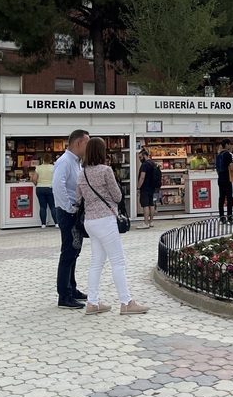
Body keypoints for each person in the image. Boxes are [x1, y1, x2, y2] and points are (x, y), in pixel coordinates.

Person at [76, 136, 148, 315]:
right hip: (105, 220)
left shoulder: (82, 172)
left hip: (90, 221)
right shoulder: (106, 170)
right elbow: (117, 196)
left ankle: (92, 302)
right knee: (118, 262)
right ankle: (126, 302)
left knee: (96, 263)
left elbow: (78, 198)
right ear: (101, 152)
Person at [53, 129, 90, 309]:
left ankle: (71, 287)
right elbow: (58, 187)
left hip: (74, 212)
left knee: (75, 251)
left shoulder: (76, 163)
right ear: (78, 143)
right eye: (86, 143)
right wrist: (69, 207)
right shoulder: (65, 162)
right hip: (68, 213)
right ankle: (64, 295)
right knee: (68, 252)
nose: (88, 147)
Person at [31, 153, 56, 227]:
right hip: (50, 188)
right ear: (51, 160)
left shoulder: (38, 168)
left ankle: (43, 224)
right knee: (53, 206)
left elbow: (34, 179)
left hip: (40, 188)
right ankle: (56, 223)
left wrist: (37, 185)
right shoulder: (53, 167)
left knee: (42, 207)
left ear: (43, 160)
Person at [216, 139, 233, 225]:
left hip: (220, 178)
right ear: (227, 145)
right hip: (228, 178)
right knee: (230, 198)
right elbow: (231, 168)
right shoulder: (228, 154)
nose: (231, 146)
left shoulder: (218, 155)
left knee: (221, 198)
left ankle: (222, 217)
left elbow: (217, 168)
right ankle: (230, 217)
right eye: (230, 144)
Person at [136, 149, 156, 229]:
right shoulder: (152, 163)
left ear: (144, 156)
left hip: (145, 187)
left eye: (140, 157)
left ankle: (145, 223)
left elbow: (142, 177)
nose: (139, 159)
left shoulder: (144, 165)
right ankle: (151, 221)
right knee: (151, 204)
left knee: (145, 205)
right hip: (152, 186)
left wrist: (138, 187)